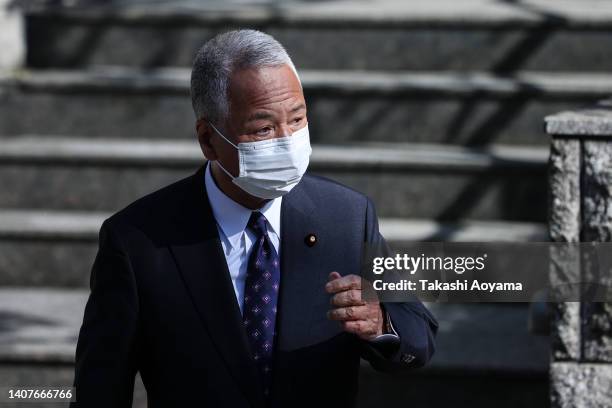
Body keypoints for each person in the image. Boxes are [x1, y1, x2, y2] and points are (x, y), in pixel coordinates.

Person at [71, 29, 438, 408]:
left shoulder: (346, 216)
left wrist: (379, 323)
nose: (287, 140)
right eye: (263, 129)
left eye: (297, 119)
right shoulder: (138, 242)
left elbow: (420, 337)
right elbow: (99, 388)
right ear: (208, 139)